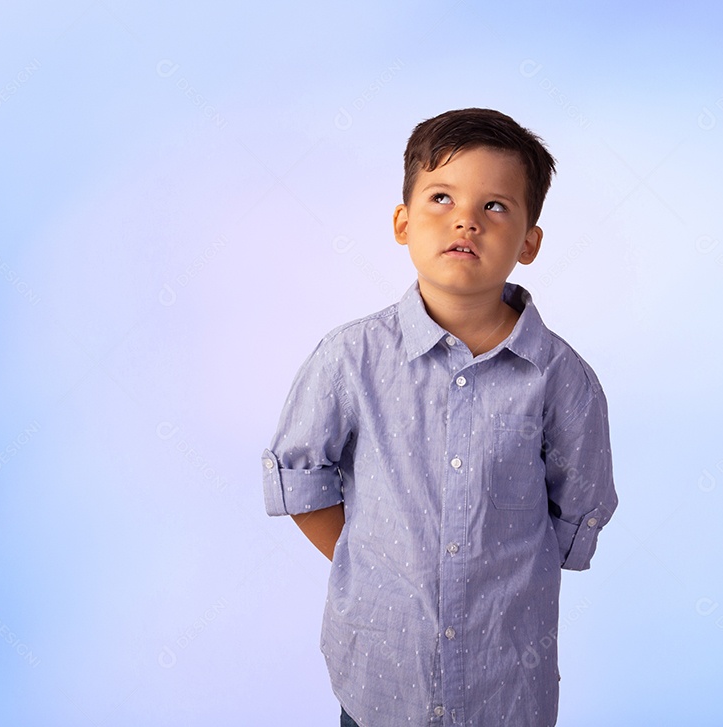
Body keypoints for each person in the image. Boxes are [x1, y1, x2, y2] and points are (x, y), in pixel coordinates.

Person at [262, 108, 617, 726]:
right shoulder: (350, 358)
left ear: (529, 242)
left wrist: (487, 576)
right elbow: (303, 479)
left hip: (506, 688)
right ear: (402, 223)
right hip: (380, 680)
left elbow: (571, 516)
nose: (466, 221)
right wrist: (382, 561)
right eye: (442, 197)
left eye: (496, 207)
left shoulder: (562, 380)